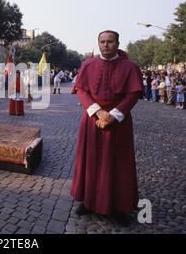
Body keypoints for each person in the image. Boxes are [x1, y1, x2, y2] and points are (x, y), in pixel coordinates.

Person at [70, 30, 143, 226]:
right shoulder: (88, 64)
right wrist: (98, 113)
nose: (105, 45)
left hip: (119, 122)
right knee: (90, 161)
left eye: (110, 41)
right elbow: (82, 90)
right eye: (102, 42)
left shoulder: (130, 67)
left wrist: (114, 116)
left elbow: (133, 94)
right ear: (98, 43)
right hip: (93, 121)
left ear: (117, 43)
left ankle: (119, 206)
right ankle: (88, 201)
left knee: (118, 164)